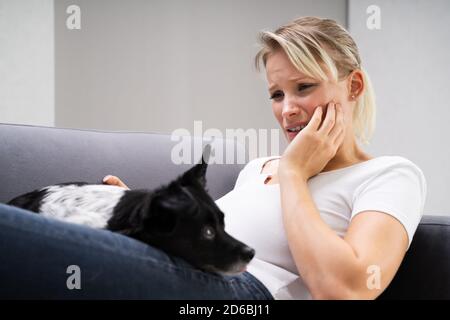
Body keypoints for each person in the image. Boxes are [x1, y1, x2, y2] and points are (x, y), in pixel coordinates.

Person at [0, 17, 426, 300]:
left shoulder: (388, 175)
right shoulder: (256, 170)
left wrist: (295, 173)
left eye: (304, 87)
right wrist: (145, 213)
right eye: (276, 94)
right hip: (192, 274)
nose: (287, 110)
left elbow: (347, 290)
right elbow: (204, 240)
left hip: (244, 296)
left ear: (353, 86)